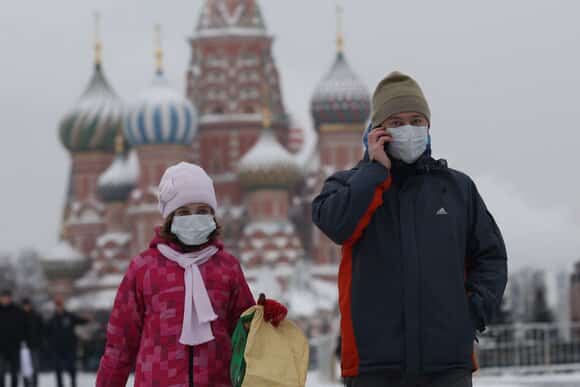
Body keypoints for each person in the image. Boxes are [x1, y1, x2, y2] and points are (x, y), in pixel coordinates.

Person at [312, 71, 508, 387]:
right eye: (397, 122)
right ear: (377, 130)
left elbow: (491, 257)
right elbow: (335, 225)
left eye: (417, 121)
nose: (409, 130)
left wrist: (469, 313)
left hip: (446, 364)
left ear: (428, 127)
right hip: (374, 366)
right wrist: (374, 171)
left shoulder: (457, 189)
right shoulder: (349, 185)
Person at [96, 162, 286, 387]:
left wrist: (264, 318)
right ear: (170, 217)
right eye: (184, 212)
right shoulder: (144, 268)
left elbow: (246, 337)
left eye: (202, 211)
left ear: (212, 216)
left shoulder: (226, 267)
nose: (193, 218)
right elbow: (120, 345)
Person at [45, 296, 89, 387]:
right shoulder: (52, 319)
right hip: (57, 348)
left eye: (60, 305)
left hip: (70, 347)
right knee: (58, 368)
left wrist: (87, 319)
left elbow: (80, 320)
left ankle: (73, 383)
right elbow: (47, 333)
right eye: (57, 305)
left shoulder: (69, 316)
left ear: (63, 306)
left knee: (71, 367)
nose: (59, 307)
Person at [0, 290, 25, 387]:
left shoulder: (17, 311)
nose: (5, 299)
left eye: (7, 297)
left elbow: (23, 327)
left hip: (14, 346)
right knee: (0, 371)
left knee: (14, 372)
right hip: (0, 347)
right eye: (3, 297)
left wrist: (20, 339)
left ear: (10, 298)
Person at [20, 299, 43, 387]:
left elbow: (41, 330)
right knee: (25, 368)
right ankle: (26, 384)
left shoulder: (36, 316)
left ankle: (35, 384)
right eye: (25, 305)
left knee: (35, 367)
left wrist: (39, 342)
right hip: (23, 346)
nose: (26, 307)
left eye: (28, 305)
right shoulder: (19, 316)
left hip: (34, 345)